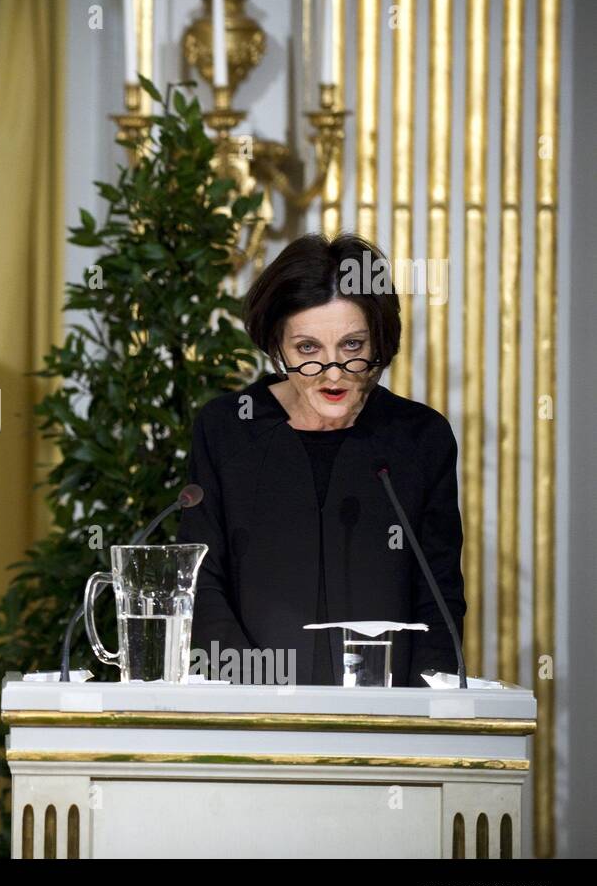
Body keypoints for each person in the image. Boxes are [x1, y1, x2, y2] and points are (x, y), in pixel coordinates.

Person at [177, 232, 464, 686]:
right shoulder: (227, 429)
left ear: (380, 340)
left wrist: (427, 712)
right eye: (307, 349)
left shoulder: (419, 437)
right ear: (277, 346)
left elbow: (438, 595)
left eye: (352, 347)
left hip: (387, 719)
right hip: (254, 713)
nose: (332, 372)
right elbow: (201, 581)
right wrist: (248, 696)